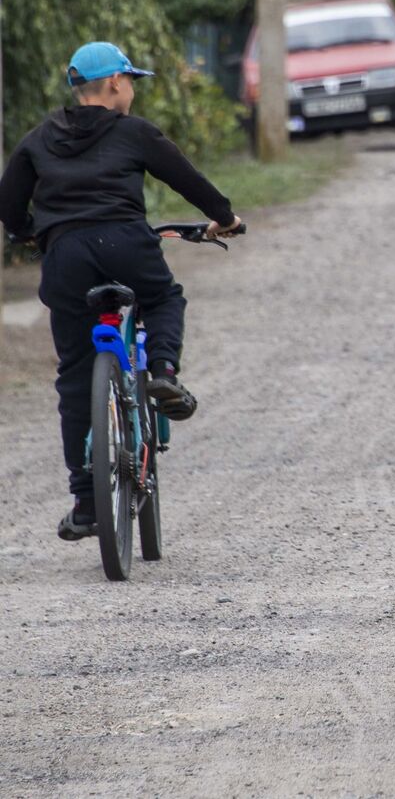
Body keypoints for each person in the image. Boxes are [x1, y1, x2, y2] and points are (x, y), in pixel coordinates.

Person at [0, 42, 242, 541]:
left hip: (65, 256)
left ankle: (87, 504)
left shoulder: (38, 138)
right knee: (163, 299)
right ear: (113, 83)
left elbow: (9, 205)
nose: (131, 89)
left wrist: (28, 230)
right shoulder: (133, 132)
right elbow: (186, 179)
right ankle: (164, 372)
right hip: (126, 243)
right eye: (130, 80)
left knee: (74, 374)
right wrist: (224, 218)